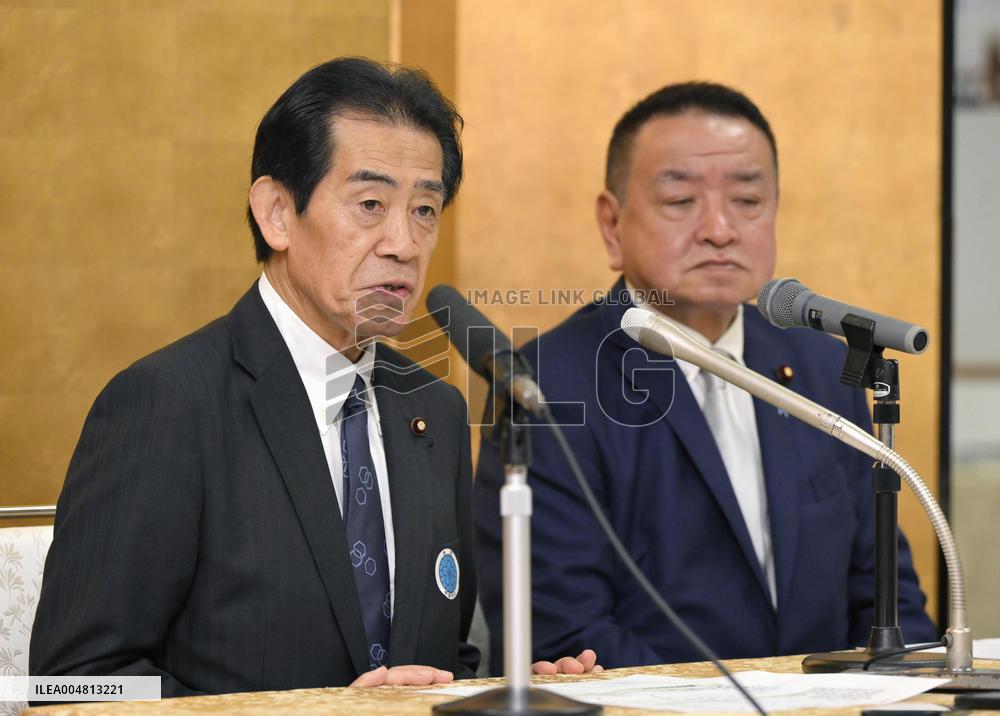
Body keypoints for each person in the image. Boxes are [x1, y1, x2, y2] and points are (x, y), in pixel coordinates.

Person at [30, 57, 599, 696]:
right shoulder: (168, 404)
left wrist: (501, 694)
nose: (403, 244)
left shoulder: (432, 408)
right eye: (370, 204)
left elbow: (447, 658)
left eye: (425, 211)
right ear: (276, 212)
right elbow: (72, 684)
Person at [474, 81, 937, 671]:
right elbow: (564, 634)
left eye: (747, 201)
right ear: (612, 226)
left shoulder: (822, 367)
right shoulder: (547, 386)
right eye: (681, 201)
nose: (720, 229)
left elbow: (888, 608)